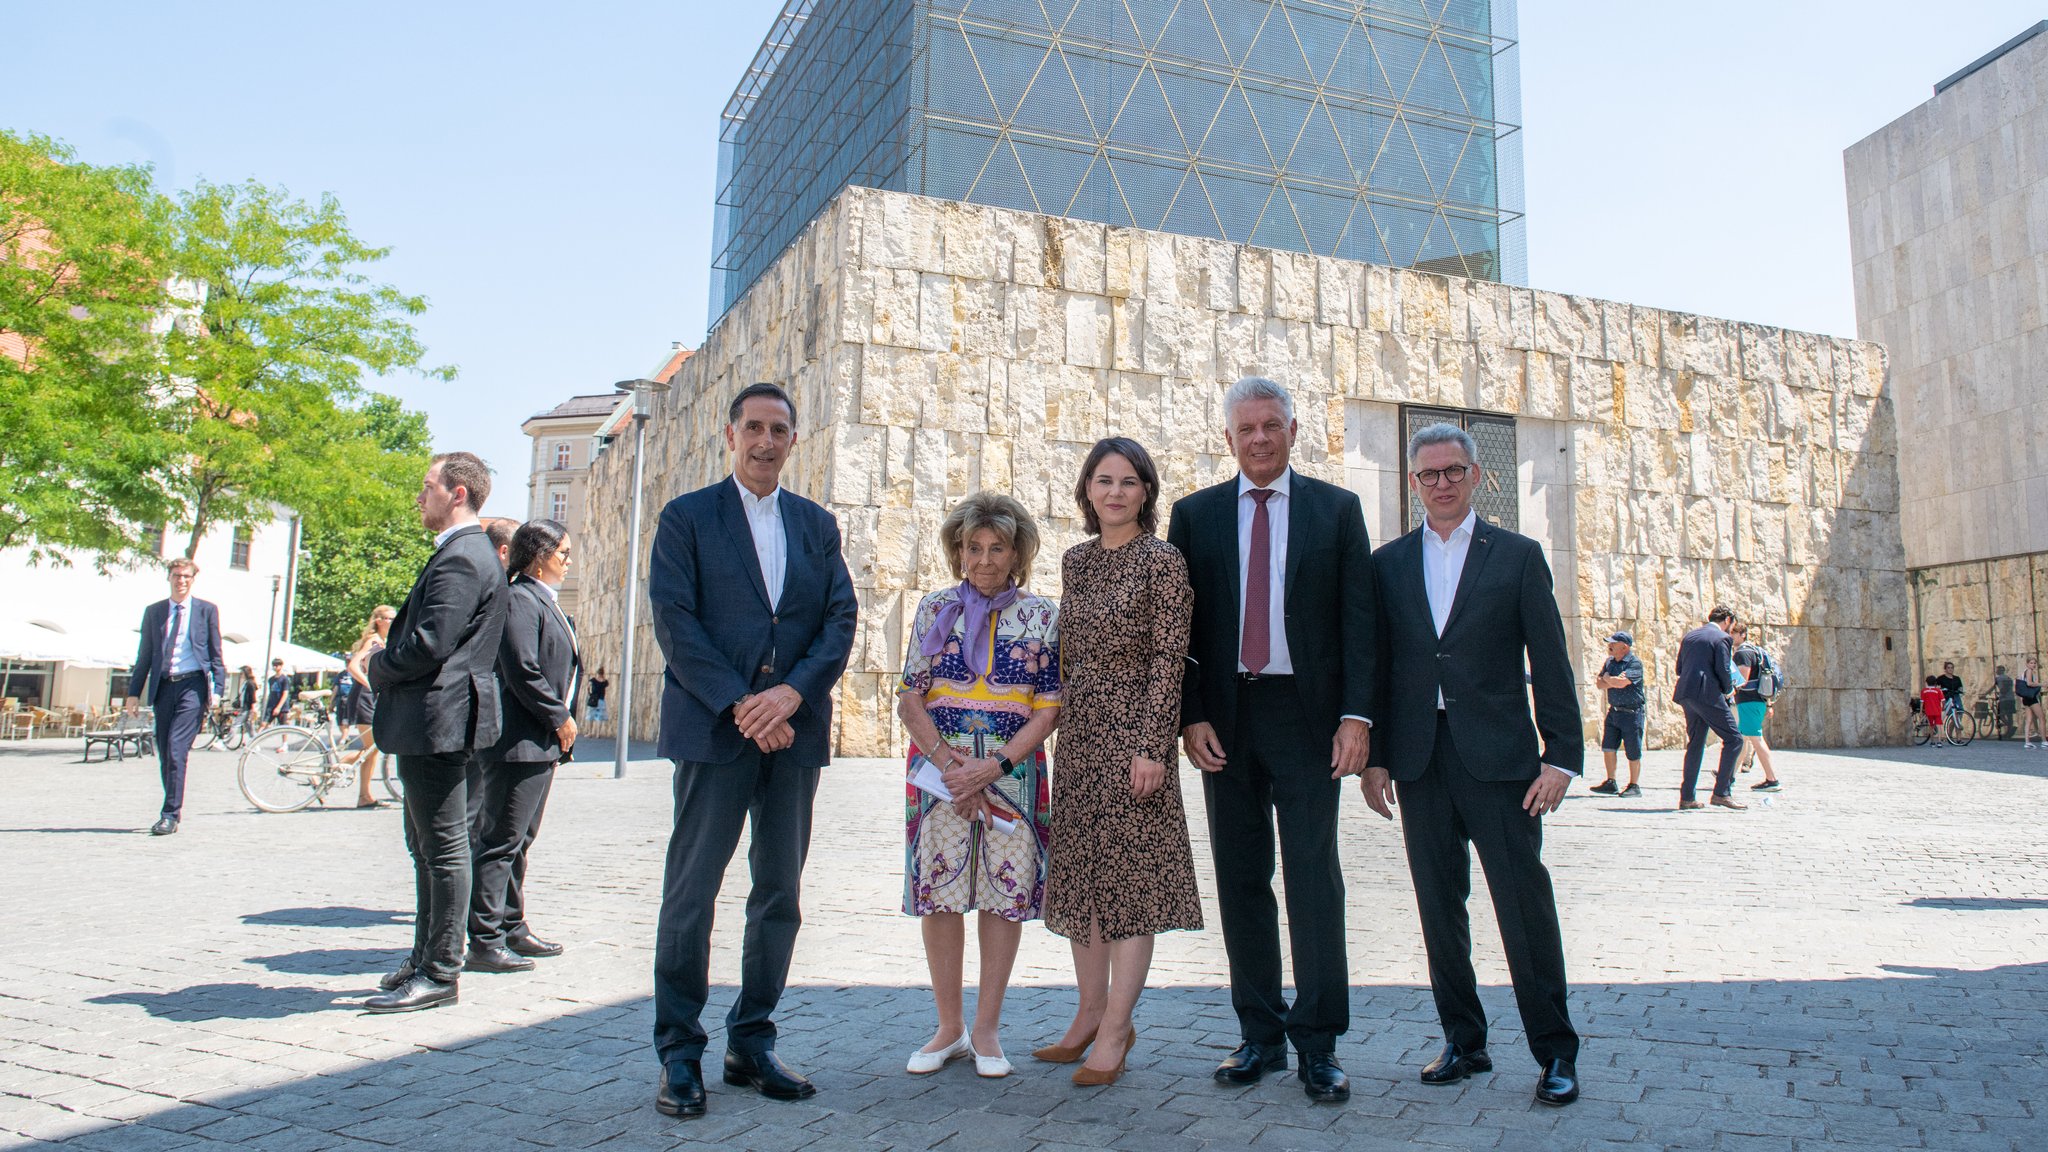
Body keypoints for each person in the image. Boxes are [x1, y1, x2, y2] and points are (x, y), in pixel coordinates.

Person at [647, 382, 857, 1119]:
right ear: (730, 434)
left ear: (795, 440)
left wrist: (790, 696)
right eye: (754, 427)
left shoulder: (815, 524)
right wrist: (742, 704)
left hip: (793, 736)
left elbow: (839, 619)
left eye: (780, 429)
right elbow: (675, 622)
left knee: (779, 895)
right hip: (715, 732)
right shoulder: (687, 518)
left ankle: (751, 1040)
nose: (766, 440)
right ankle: (680, 1051)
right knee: (692, 893)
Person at [1163, 376, 1375, 1102]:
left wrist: (1358, 717)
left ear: (1293, 429)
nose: (1259, 438)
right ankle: (1259, 1034)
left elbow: (1360, 624)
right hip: (1225, 720)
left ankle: (1318, 1042)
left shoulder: (1337, 511)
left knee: (1314, 877)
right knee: (1241, 875)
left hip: (1308, 718)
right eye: (1246, 428)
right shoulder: (1193, 517)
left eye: (1271, 425)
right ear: (1228, 438)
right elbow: (1180, 633)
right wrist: (1190, 716)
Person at [1361, 421, 1584, 1108]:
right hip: (1421, 762)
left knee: (1523, 908)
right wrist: (1374, 759)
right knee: (1439, 908)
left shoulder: (1515, 556)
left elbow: (1549, 661)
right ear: (1413, 483)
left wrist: (1563, 758)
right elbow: (1379, 665)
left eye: (1453, 471)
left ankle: (1555, 1053)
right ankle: (1464, 1040)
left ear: (1476, 475)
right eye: (1429, 474)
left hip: (1502, 763)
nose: (1442, 484)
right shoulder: (1388, 563)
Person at [1039, 437, 1200, 1089]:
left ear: (1146, 493)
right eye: (1102, 480)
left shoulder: (1163, 562)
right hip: (1078, 736)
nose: (1114, 492)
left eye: (1128, 481)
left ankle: (1116, 1029)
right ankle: (1088, 1014)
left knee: (1131, 887)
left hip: (1137, 734)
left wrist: (1153, 746)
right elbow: (1064, 654)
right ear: (1086, 491)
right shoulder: (1075, 562)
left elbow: (1169, 658)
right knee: (1084, 880)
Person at [896, 493, 1060, 1080]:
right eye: (973, 548)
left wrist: (992, 769)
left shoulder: (1042, 616)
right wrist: (951, 764)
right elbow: (910, 695)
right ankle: (948, 1027)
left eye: (998, 547)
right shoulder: (933, 608)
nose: (985, 560)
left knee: (1003, 894)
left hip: (1012, 774)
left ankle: (986, 1029)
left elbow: (1048, 708)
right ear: (958, 552)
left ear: (1018, 553)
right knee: (940, 892)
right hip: (938, 775)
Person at [364, 451, 509, 1014]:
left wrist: (378, 664)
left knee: (443, 848)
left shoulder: (463, 557)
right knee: (425, 845)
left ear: (457, 493)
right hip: (436, 720)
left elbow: (431, 643)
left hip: (441, 720)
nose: (418, 497)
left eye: (427, 487)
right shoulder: (462, 552)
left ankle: (441, 971)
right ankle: (426, 956)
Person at [467, 520, 579, 974]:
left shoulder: (541, 601)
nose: (568, 562)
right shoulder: (518, 598)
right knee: (500, 841)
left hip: (538, 742)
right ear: (539, 554)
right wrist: (559, 716)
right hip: (518, 740)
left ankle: (512, 926)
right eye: (563, 553)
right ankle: (484, 938)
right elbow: (522, 667)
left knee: (520, 840)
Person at [124, 557, 228, 836]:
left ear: (193, 579)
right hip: (163, 687)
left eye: (186, 576)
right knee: (165, 752)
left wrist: (218, 689)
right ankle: (171, 806)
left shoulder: (206, 610)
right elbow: (144, 654)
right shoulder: (154, 612)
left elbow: (216, 653)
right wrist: (133, 693)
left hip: (192, 686)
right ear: (169, 578)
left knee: (177, 747)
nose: (181, 580)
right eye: (176, 575)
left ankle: (170, 814)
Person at [1673, 606, 1745, 811]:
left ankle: (1687, 797)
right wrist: (1729, 689)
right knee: (1734, 739)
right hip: (1707, 694)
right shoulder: (1722, 639)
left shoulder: (1690, 636)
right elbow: (1723, 669)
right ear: (1728, 620)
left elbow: (1679, 668)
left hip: (1686, 693)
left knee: (1695, 743)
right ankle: (1722, 793)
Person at [341, 606, 395, 809]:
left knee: (371, 749)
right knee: (371, 747)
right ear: (380, 620)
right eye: (390, 618)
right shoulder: (374, 641)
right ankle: (333, 767)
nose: (394, 621)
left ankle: (365, 795)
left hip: (367, 696)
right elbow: (353, 666)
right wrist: (370, 685)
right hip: (365, 697)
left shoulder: (381, 642)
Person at [1588, 631, 1645, 798]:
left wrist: (1608, 678)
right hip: (1614, 711)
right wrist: (1609, 679)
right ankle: (1610, 781)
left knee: (1633, 750)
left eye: (1613, 643)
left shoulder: (1634, 664)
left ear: (1624, 647)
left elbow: (1620, 683)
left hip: (1632, 713)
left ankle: (1634, 785)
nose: (1609, 646)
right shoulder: (1610, 662)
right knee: (1608, 747)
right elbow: (1599, 684)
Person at [1730, 621, 1780, 792]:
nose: (1730, 636)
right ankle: (1729, 776)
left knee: (1756, 740)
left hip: (1749, 700)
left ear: (1742, 634)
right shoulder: (1754, 650)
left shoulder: (1743, 653)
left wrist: (1727, 689)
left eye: (1734, 633)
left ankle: (1772, 779)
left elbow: (1741, 680)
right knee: (1743, 739)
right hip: (1755, 700)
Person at [2017, 657, 2044, 748]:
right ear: (2027, 664)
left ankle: (2027, 742)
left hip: (2026, 698)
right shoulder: (2029, 671)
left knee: (2029, 720)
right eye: (2031, 663)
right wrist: (2042, 684)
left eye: (2034, 663)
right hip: (2031, 698)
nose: (2033, 664)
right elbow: (2029, 683)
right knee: (2042, 718)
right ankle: (2044, 741)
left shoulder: (2025, 672)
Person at [263, 659, 293, 726]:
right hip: (271, 704)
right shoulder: (271, 679)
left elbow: (285, 693)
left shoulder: (284, 679)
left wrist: (278, 707)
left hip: (282, 707)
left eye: (276, 665)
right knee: (264, 724)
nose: (274, 667)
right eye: (273, 665)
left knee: (283, 726)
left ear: (281, 666)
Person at [1921, 675, 1948, 747]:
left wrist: (1921, 711)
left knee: (1931, 726)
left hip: (1928, 711)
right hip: (1937, 711)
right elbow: (1943, 701)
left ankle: (1932, 741)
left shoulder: (1924, 691)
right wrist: (1943, 708)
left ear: (1926, 682)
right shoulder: (1938, 691)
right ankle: (1939, 741)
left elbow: (1922, 702)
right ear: (1935, 683)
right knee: (1939, 726)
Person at [1992, 665, 2016, 740]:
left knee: (2000, 715)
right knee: (2010, 716)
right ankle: (2009, 731)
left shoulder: (1998, 678)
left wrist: (1984, 694)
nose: (1996, 671)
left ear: (1998, 671)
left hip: (2004, 699)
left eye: (1997, 670)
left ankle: (2009, 726)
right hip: (2011, 698)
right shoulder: (2009, 678)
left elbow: (1992, 688)